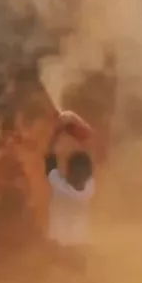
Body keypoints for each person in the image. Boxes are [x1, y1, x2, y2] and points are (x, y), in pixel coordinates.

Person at [44, 110, 96, 268]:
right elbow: (88, 156)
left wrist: (58, 132)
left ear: (67, 171)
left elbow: (49, 157)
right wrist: (80, 131)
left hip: (60, 251)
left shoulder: (60, 186)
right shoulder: (89, 189)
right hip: (79, 251)